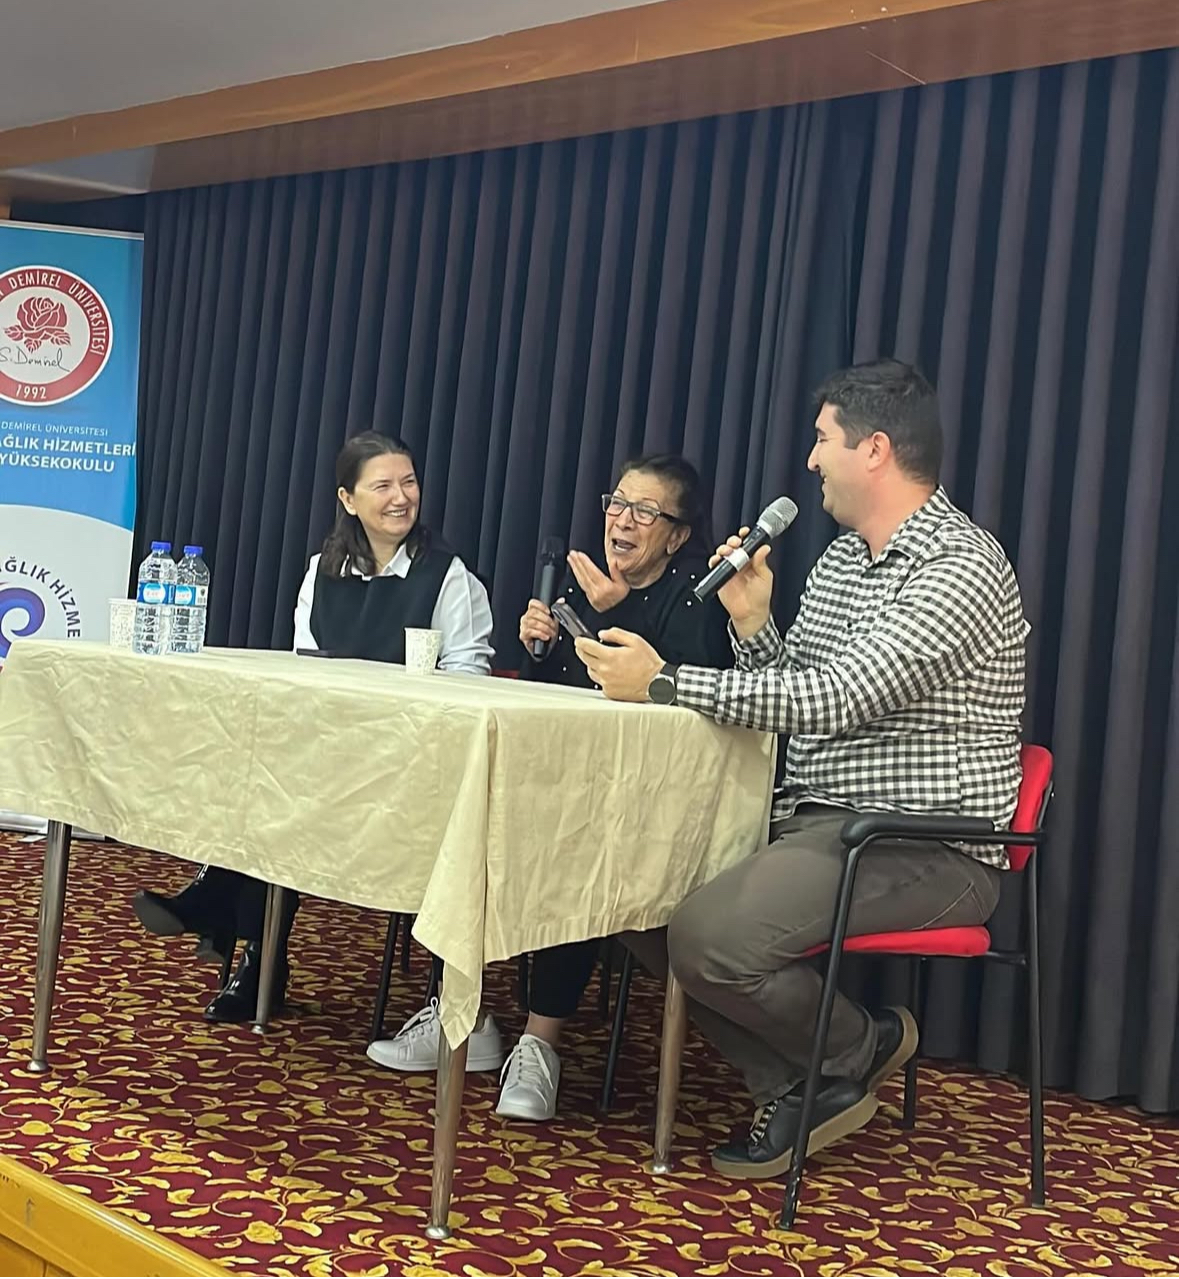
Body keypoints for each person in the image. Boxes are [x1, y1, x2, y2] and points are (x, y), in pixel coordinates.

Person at [574, 360, 1028, 1177]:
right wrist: (753, 624)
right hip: (815, 817)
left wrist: (666, 681)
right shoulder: (843, 560)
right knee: (633, 887)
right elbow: (794, 692)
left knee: (709, 935)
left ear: (874, 449)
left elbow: (839, 697)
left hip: (924, 841)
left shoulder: (958, 566)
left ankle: (853, 1049)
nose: (811, 459)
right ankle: (808, 1077)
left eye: (822, 440)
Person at [367, 453, 733, 1121]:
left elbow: (684, 697)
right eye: (616, 504)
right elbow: (558, 700)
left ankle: (540, 1043)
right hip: (557, 781)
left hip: (646, 805)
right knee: (463, 817)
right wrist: (537, 645)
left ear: (677, 534)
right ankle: (464, 1015)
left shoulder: (699, 595)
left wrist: (623, 614)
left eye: (645, 511)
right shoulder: (584, 587)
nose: (622, 521)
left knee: (575, 844)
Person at [132, 431, 494, 1022]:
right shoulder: (321, 572)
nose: (401, 497)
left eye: (409, 482)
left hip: (411, 761)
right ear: (348, 499)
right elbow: (305, 673)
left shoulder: (449, 577)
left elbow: (469, 681)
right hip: (333, 751)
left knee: (281, 790)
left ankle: (234, 926)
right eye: (383, 486)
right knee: (264, 773)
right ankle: (255, 951)